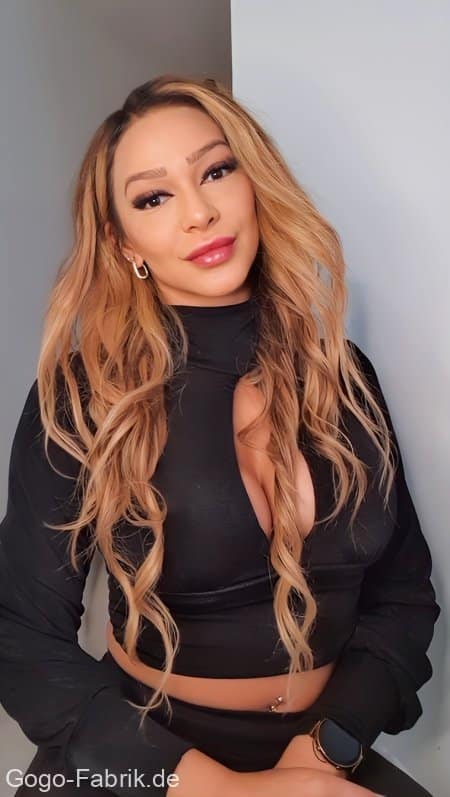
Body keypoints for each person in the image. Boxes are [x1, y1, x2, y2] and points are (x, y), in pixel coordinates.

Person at [0, 74, 439, 797]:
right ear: (122, 241)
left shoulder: (342, 373)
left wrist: (320, 755)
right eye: (154, 198)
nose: (199, 213)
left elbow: (404, 598)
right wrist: (230, 791)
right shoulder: (85, 393)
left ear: (254, 181)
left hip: (321, 754)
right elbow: (22, 634)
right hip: (146, 762)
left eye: (215, 171)